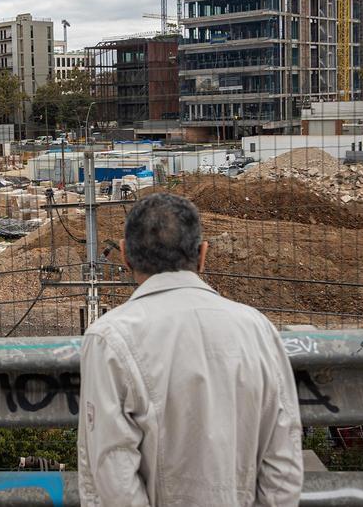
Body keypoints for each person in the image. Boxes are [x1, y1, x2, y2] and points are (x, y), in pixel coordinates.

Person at [77, 193, 302, 506]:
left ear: (125, 255)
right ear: (202, 254)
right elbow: (284, 462)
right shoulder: (258, 329)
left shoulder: (109, 338)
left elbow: (112, 473)